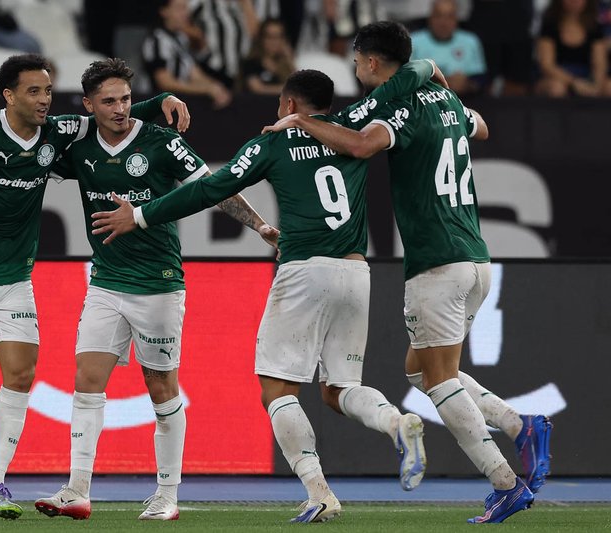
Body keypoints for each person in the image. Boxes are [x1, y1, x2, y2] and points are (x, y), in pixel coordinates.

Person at [90, 60, 445, 522]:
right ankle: (396, 422)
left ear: (290, 103)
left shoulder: (273, 142)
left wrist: (139, 215)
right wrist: (430, 67)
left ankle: (319, 492)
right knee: (341, 388)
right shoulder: (352, 125)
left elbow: (210, 188)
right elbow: (402, 81)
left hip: (304, 270)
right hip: (357, 272)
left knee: (276, 390)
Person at [0, 57, 277, 521]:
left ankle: (167, 494)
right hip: (105, 282)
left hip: (158, 283)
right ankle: (77, 490)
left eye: (125, 99)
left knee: (161, 387)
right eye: (109, 101)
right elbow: (15, 153)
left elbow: (215, 186)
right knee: (87, 382)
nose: (120, 109)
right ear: (88, 105)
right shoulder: (77, 145)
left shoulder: (162, 142)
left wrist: (260, 226)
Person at [260, 21, 553, 524]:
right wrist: (437, 82)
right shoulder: (446, 100)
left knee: (437, 383)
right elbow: (482, 128)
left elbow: (360, 145)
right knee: (419, 369)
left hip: (436, 262)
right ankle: (515, 422)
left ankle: (505, 480)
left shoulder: (402, 107)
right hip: (476, 258)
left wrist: (303, 123)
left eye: (357, 62)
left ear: (373, 62)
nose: (356, 71)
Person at [0, 53, 191, 521]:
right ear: (9, 95)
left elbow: (113, 110)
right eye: (34, 91)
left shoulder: (58, 131)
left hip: (16, 277)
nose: (44, 99)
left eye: (48, 90)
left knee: (21, 375)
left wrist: (160, 101)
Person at [142, 0, 233, 109]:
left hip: (180, 105)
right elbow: (165, 83)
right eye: (179, 8)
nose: (185, 13)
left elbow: (194, 73)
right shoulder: (156, 40)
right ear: (164, 11)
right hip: (159, 109)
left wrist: (216, 87)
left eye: (186, 8)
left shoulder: (182, 38)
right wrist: (206, 89)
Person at [535, 0, 611, 97]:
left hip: (587, 76)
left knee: (609, 87)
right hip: (558, 77)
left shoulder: (595, 27)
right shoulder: (549, 26)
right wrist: (574, 83)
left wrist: (596, 85)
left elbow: (600, 63)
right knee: (557, 87)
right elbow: (547, 65)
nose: (574, 1)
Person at [410, 0, 487, 96]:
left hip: (464, 99)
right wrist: (441, 82)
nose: (443, 23)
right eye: (438, 16)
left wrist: (468, 84)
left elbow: (480, 78)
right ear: (430, 18)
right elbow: (405, 78)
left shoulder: (470, 41)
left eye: (450, 17)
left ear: (457, 19)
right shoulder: (413, 41)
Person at [241, 18, 295, 95]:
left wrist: (289, 59)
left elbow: (298, 86)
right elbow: (257, 88)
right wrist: (288, 89)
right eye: (269, 37)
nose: (274, 41)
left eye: (278, 37)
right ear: (262, 39)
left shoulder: (285, 63)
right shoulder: (251, 63)